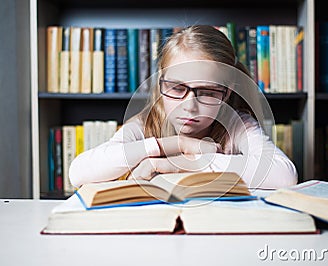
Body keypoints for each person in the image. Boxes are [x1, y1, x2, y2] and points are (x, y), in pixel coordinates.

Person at [69, 24, 298, 189]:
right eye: (177, 89)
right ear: (160, 86)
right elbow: (78, 172)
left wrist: (183, 163)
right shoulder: (145, 124)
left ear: (226, 94)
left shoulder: (237, 126)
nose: (190, 107)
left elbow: (284, 174)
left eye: (208, 92)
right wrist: (173, 144)